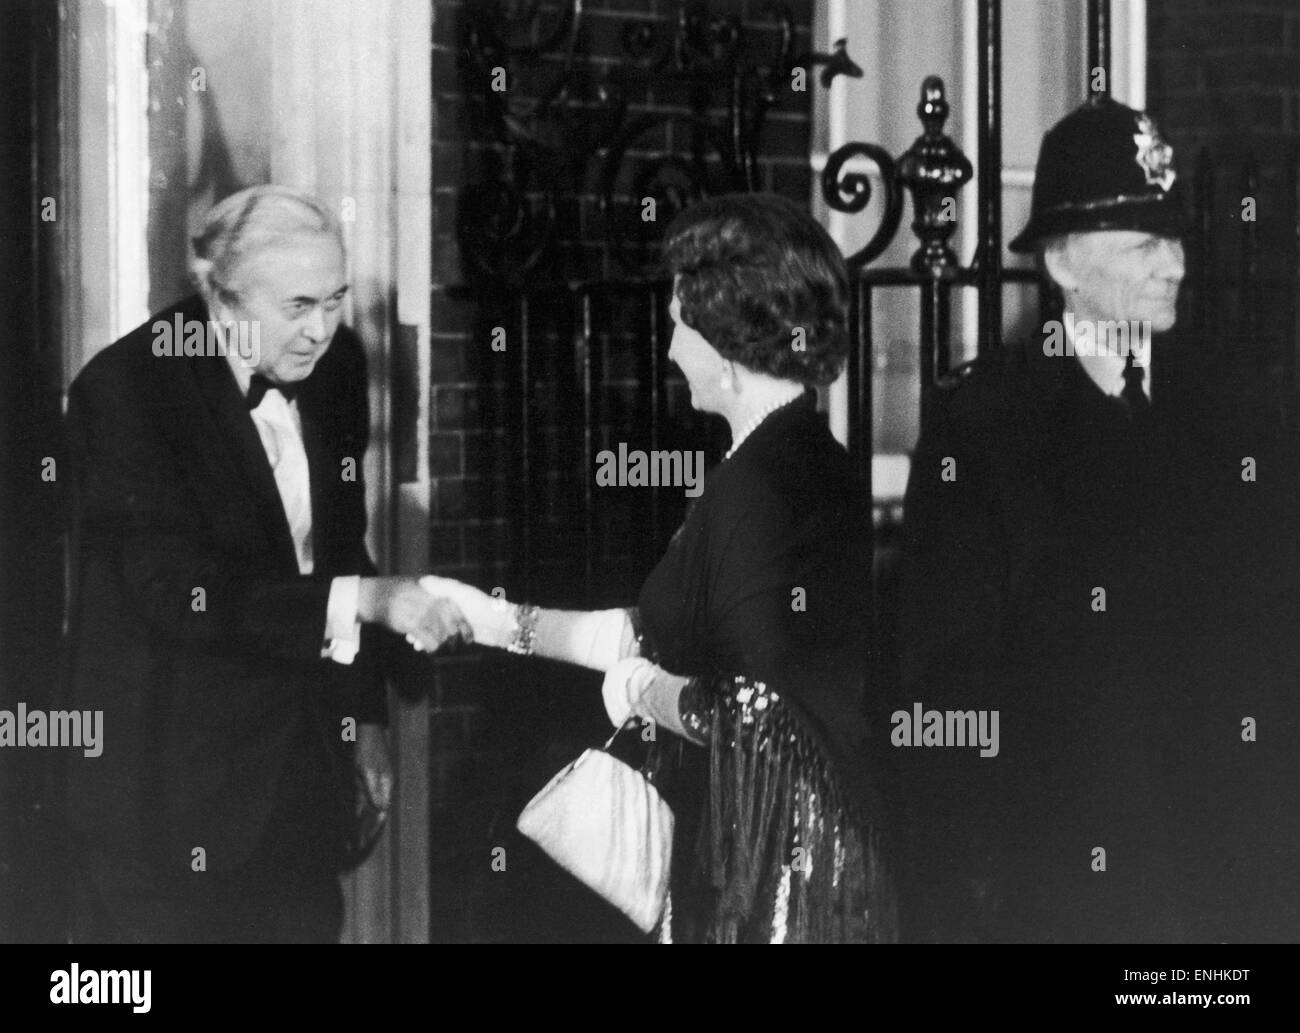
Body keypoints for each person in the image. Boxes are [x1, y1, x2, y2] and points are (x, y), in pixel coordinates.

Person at [425, 193, 894, 944]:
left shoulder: (766, 484)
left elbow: (750, 712)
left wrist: (639, 691)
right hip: (773, 856)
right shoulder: (784, 459)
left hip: (783, 881)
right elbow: (652, 634)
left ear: (730, 338)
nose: (671, 347)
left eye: (681, 322)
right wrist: (494, 621)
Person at [895, 98, 1298, 942]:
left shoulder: (1238, 402)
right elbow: (943, 667)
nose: (1176, 266)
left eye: (1177, 239)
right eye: (1145, 245)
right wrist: (969, 876)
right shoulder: (989, 422)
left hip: (1228, 861)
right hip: (1062, 868)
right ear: (1065, 265)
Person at [62, 185, 468, 943]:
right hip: (166, 796)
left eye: (337, 299)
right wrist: (370, 602)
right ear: (222, 294)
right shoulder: (128, 391)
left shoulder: (334, 370)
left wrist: (364, 722)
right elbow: (181, 593)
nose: (322, 330)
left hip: (297, 778)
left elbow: (339, 549)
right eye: (298, 306)